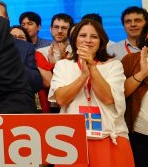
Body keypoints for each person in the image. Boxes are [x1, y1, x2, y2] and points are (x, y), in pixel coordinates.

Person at [48, 20, 134, 166]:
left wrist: (92, 67)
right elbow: (61, 99)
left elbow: (107, 98)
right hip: (72, 139)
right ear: (74, 40)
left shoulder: (114, 65)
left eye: (94, 36)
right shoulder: (63, 65)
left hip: (110, 137)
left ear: (101, 41)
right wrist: (83, 76)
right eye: (82, 35)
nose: (88, 40)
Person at [0, 0, 42, 94]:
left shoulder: (25, 47)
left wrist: (12, 59)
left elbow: (36, 84)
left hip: (14, 103)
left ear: (7, 20)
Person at [121, 22, 148, 167]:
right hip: (139, 134)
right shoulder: (131, 60)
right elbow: (120, 94)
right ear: (147, 35)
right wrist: (143, 72)